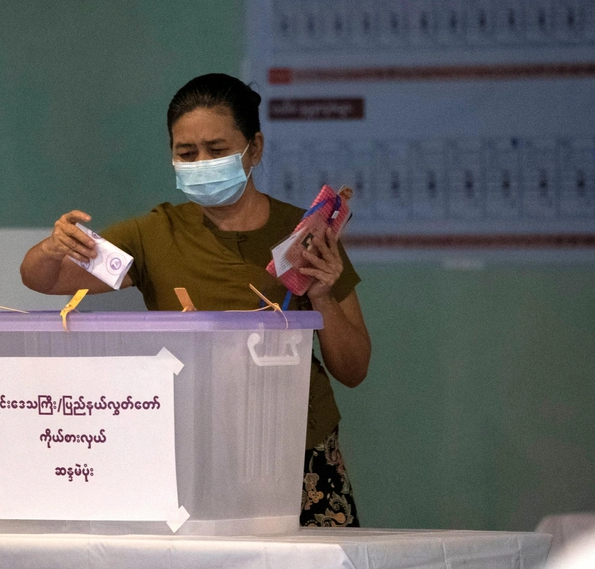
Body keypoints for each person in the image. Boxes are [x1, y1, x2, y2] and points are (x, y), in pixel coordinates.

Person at [20, 73, 371, 527]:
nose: (201, 162)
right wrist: (51, 248)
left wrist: (322, 297)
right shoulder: (152, 235)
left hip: (297, 449)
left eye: (217, 150)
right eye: (186, 154)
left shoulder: (307, 236)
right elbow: (44, 279)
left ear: (255, 149)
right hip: (190, 450)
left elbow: (354, 370)